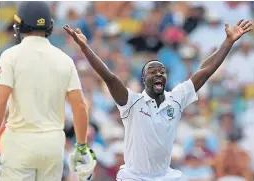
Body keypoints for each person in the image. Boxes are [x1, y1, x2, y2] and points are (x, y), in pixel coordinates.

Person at [63, 18, 253, 181]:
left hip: (164, 177)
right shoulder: (132, 102)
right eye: (152, 71)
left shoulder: (176, 99)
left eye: (162, 71)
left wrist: (228, 42)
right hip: (134, 177)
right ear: (144, 79)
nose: (159, 74)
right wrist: (86, 48)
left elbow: (204, 71)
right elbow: (110, 77)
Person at [0, 2, 96, 181]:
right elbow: (80, 106)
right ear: (49, 25)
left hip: (19, 142)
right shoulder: (64, 59)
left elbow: (0, 101)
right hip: (53, 145)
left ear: (20, 25)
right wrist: (81, 146)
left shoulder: (10, 56)